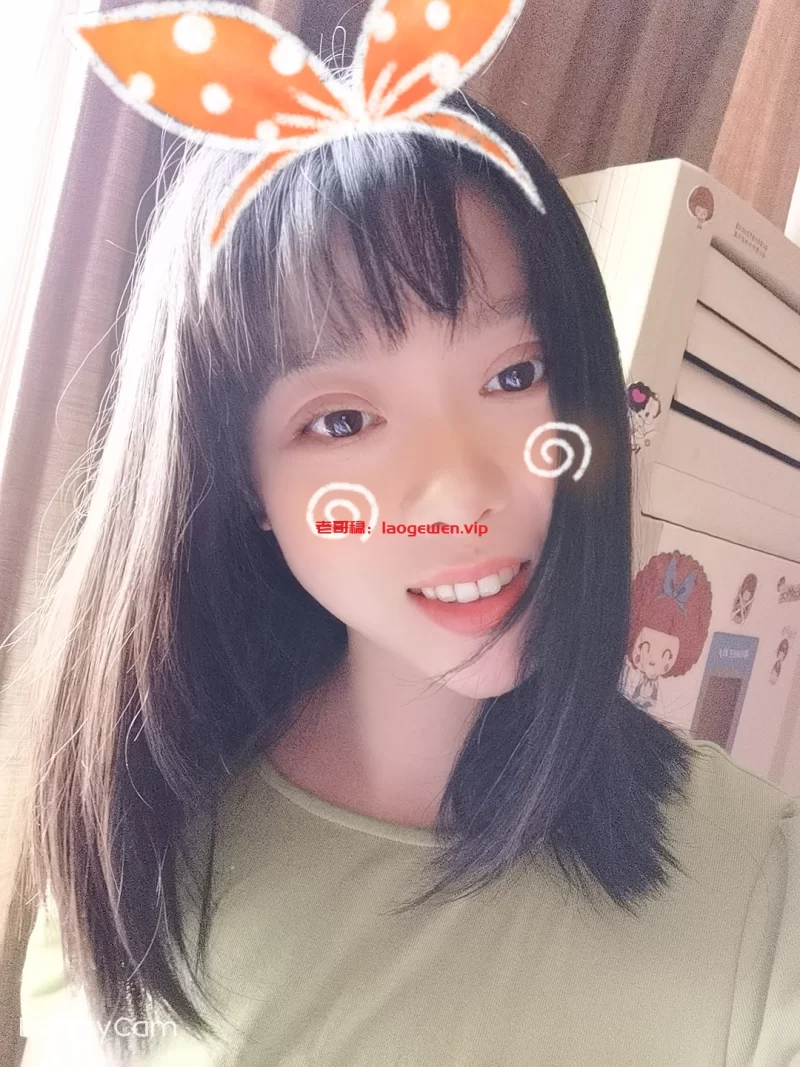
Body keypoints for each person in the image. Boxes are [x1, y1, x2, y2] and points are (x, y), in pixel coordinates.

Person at [16, 88, 799, 1066]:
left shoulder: (760, 891)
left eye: (515, 375)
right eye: (342, 420)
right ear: (243, 478)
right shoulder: (129, 833)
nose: (466, 490)